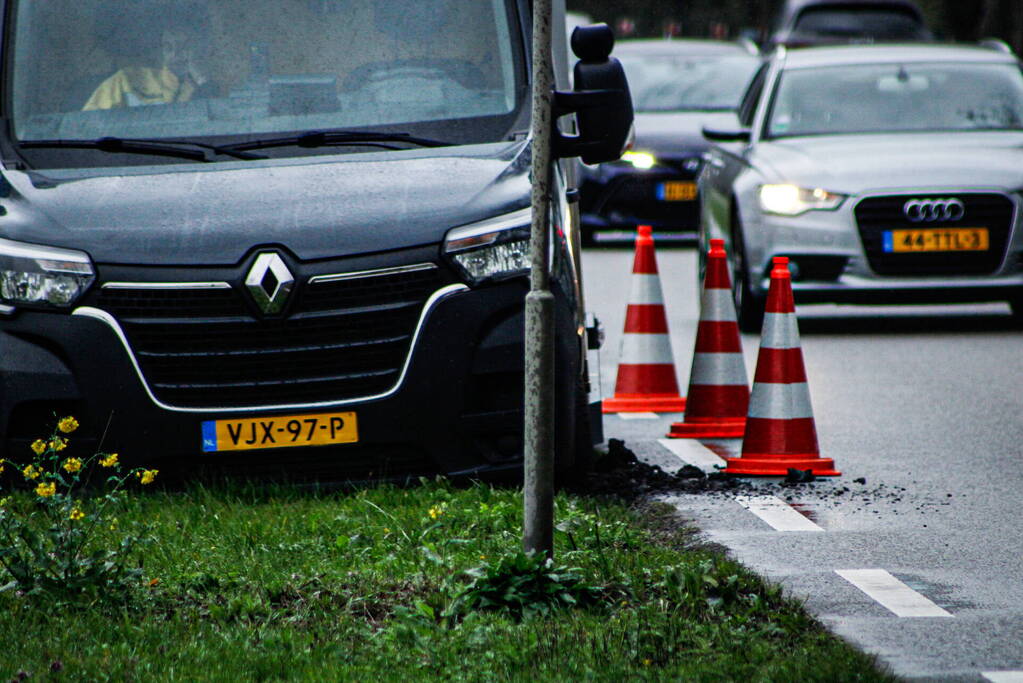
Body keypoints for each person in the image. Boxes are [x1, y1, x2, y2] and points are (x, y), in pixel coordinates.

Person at [83, 17, 214, 110]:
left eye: (184, 47)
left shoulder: (210, 88)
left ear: (200, 49)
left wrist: (202, 80)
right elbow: (87, 126)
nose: (175, 54)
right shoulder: (126, 80)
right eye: (168, 47)